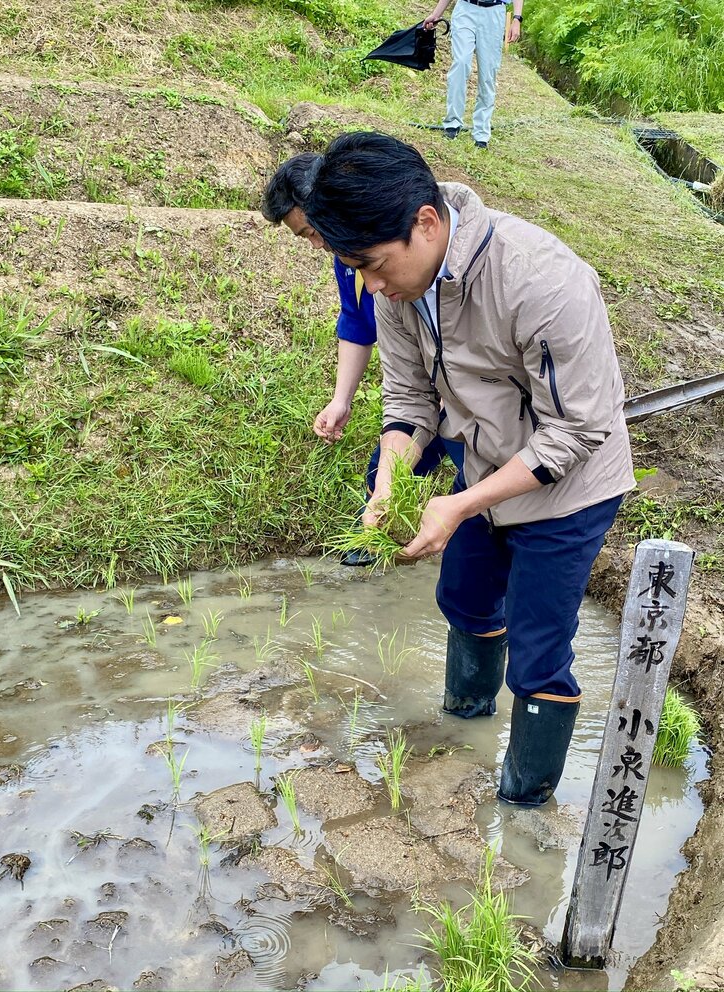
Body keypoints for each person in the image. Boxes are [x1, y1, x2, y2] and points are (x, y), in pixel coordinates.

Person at [305, 131, 635, 806]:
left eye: (371, 263)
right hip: (486, 468)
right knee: (464, 599)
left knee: (541, 650)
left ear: (425, 223)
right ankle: (463, 731)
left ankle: (523, 804)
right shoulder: (398, 291)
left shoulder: (540, 278)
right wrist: (390, 483)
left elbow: (578, 427)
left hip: (570, 487)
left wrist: (457, 504)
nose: (367, 284)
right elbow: (407, 402)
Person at [260, 154, 463, 565]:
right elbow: (356, 323)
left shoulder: (413, 250)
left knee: (471, 478)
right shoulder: (352, 263)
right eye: (308, 237)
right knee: (391, 467)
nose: (321, 244)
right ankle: (387, 542)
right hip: (419, 391)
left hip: (464, 394)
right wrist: (341, 399)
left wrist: (452, 384)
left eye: (315, 231)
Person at [423, 0, 522, 148]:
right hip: (465, 9)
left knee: (488, 73)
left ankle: (481, 133)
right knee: (461, 63)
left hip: (494, 12)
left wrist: (517, 19)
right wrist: (436, 14)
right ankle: (452, 123)